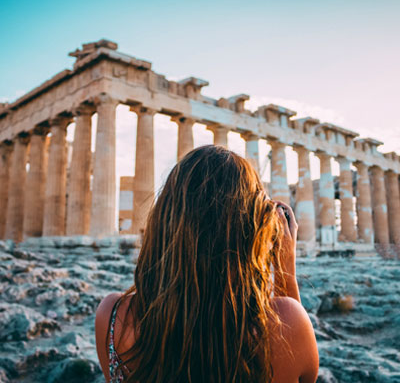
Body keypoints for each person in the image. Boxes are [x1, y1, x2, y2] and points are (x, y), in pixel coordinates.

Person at [95, 145, 319, 383]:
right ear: (252, 229)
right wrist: (285, 264)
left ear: (165, 218)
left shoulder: (112, 315)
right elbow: (300, 370)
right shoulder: (288, 321)